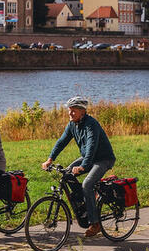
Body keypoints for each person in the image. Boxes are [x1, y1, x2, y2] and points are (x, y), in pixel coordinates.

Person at [41, 95, 116, 237]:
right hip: (88, 157)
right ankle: (85, 204)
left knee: (87, 184)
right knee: (67, 174)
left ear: (82, 111)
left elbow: (91, 146)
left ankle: (95, 224)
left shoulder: (91, 124)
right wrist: (50, 159)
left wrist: (83, 166)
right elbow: (61, 142)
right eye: (69, 110)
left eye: (73, 110)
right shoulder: (72, 125)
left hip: (102, 159)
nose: (70, 113)